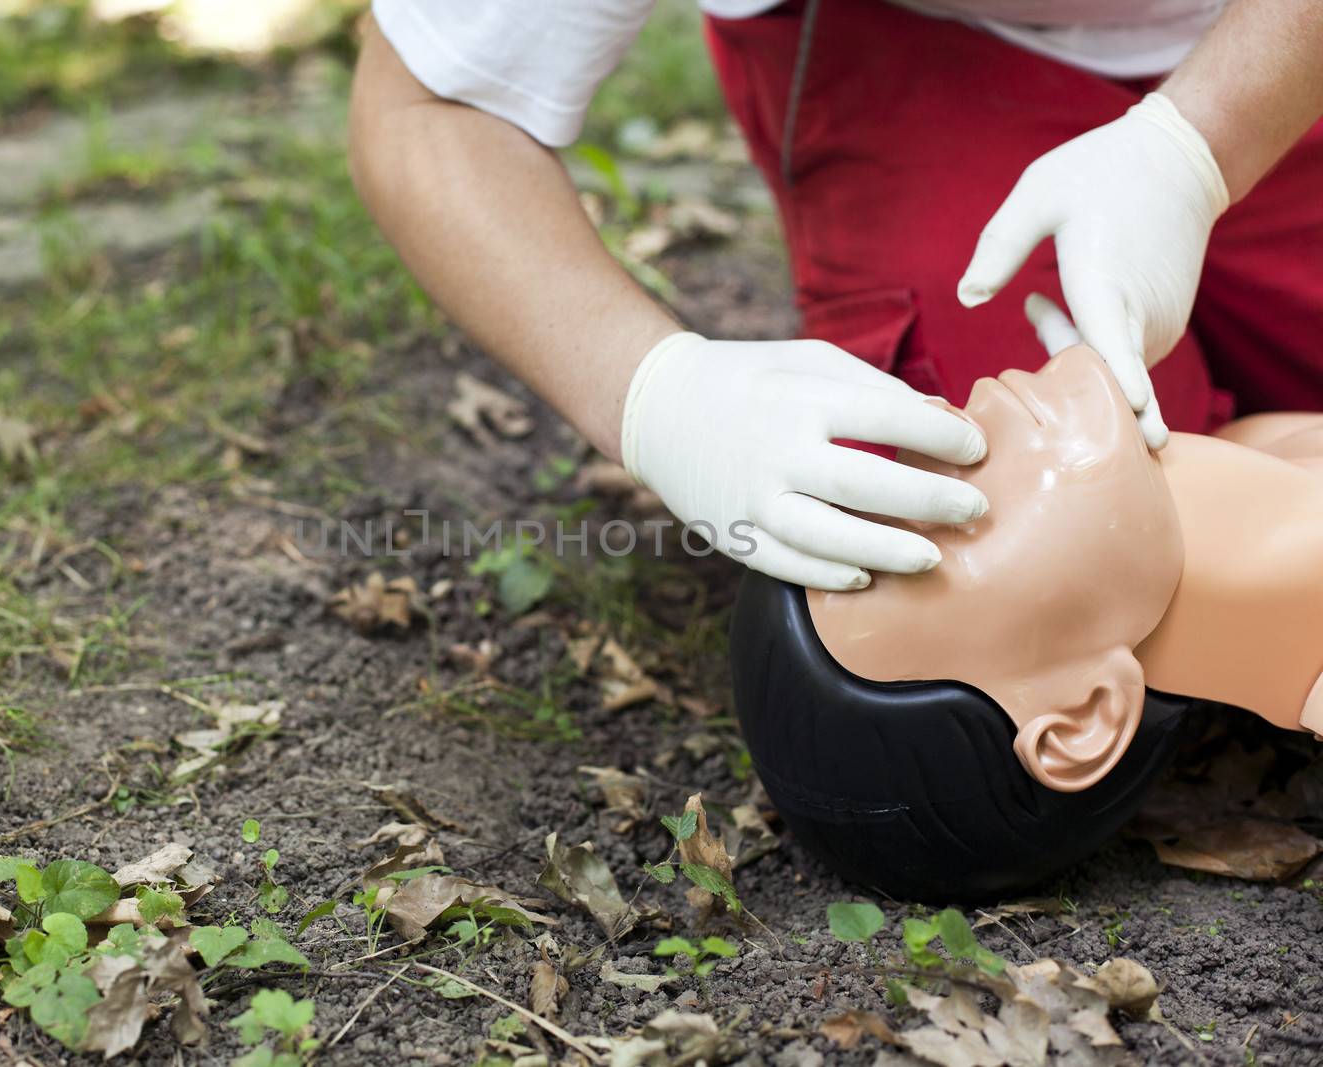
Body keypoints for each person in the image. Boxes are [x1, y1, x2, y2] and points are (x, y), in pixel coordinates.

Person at [349, 0, 1323, 591]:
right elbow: (434, 105)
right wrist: (649, 389)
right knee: (1006, 515)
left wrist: (1193, 144)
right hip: (927, 47)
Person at [731, 300, 1323, 898]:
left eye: (902, 474)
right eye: (940, 526)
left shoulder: (1264, 443)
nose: (946, 416)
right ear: (1082, 721)